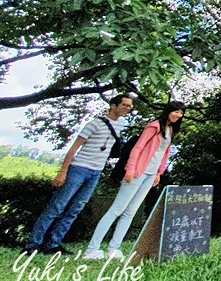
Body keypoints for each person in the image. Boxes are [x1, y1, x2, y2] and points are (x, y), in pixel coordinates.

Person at [22, 94, 134, 255]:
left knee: (75, 209)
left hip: (96, 172)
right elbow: (74, 148)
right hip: (79, 168)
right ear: (113, 105)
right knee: (57, 206)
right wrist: (63, 172)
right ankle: (33, 244)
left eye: (130, 106)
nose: (128, 108)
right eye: (124, 105)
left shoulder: (120, 124)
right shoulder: (94, 124)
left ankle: (53, 244)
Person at [83, 101, 184, 260]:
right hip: (138, 172)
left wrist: (159, 173)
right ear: (168, 111)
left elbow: (164, 153)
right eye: (176, 111)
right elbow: (137, 148)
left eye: (181, 113)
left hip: (150, 175)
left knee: (130, 212)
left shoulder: (170, 130)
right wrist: (130, 169)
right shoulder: (154, 126)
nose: (178, 115)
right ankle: (91, 250)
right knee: (116, 210)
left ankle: (114, 248)